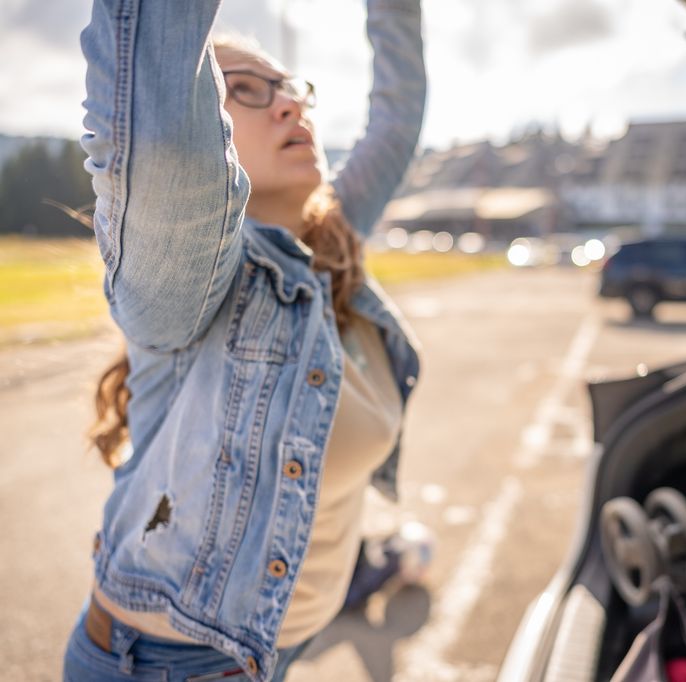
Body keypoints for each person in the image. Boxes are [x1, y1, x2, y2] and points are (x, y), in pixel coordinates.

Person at [64, 0, 426, 680]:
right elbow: (160, 121)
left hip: (272, 648)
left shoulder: (329, 245)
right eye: (246, 91)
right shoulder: (192, 279)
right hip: (170, 664)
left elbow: (398, 119)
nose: (290, 106)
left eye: (289, 88)